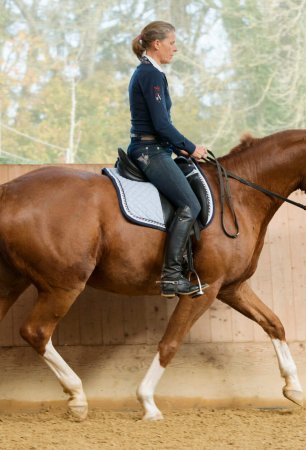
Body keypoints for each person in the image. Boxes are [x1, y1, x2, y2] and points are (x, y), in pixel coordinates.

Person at [127, 21, 209, 298]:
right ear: (156, 44)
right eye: (172, 42)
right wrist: (190, 147)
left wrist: (181, 149)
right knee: (190, 204)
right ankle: (172, 276)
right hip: (150, 152)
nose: (176, 48)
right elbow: (161, 124)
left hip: (158, 148)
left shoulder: (151, 73)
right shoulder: (150, 74)